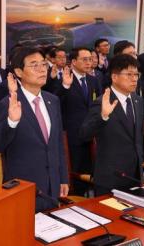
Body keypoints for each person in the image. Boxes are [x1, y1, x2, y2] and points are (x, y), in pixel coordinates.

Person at [0, 48, 69, 212]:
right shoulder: (8, 104)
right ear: (19, 72)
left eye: (43, 64)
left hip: (52, 186)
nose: (42, 69)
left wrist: (62, 178)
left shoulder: (52, 101)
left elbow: (58, 145)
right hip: (23, 187)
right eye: (34, 65)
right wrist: (11, 122)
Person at [80, 54, 144, 196]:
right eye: (129, 74)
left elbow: (138, 137)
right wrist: (103, 116)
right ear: (114, 77)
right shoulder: (102, 102)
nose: (134, 79)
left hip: (134, 175)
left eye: (136, 74)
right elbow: (85, 134)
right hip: (110, 177)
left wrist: (141, 169)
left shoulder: (138, 101)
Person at [53, 47, 102, 196]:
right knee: (74, 175)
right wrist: (65, 86)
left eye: (91, 59)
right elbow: (56, 103)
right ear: (73, 61)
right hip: (72, 137)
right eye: (85, 59)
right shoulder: (62, 80)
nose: (89, 62)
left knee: (90, 173)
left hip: (91, 136)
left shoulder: (94, 81)